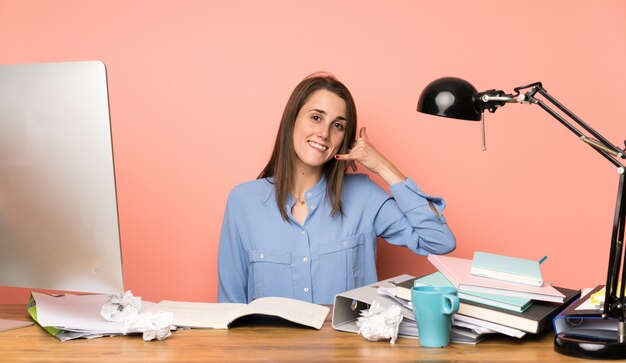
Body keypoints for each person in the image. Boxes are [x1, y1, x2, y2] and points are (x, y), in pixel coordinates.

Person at [218, 73, 455, 304]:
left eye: (338, 125)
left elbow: (438, 241)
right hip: (267, 345)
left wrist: (382, 165)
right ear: (292, 120)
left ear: (345, 138)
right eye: (316, 118)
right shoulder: (243, 202)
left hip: (348, 344)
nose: (324, 134)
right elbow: (230, 307)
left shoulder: (364, 196)